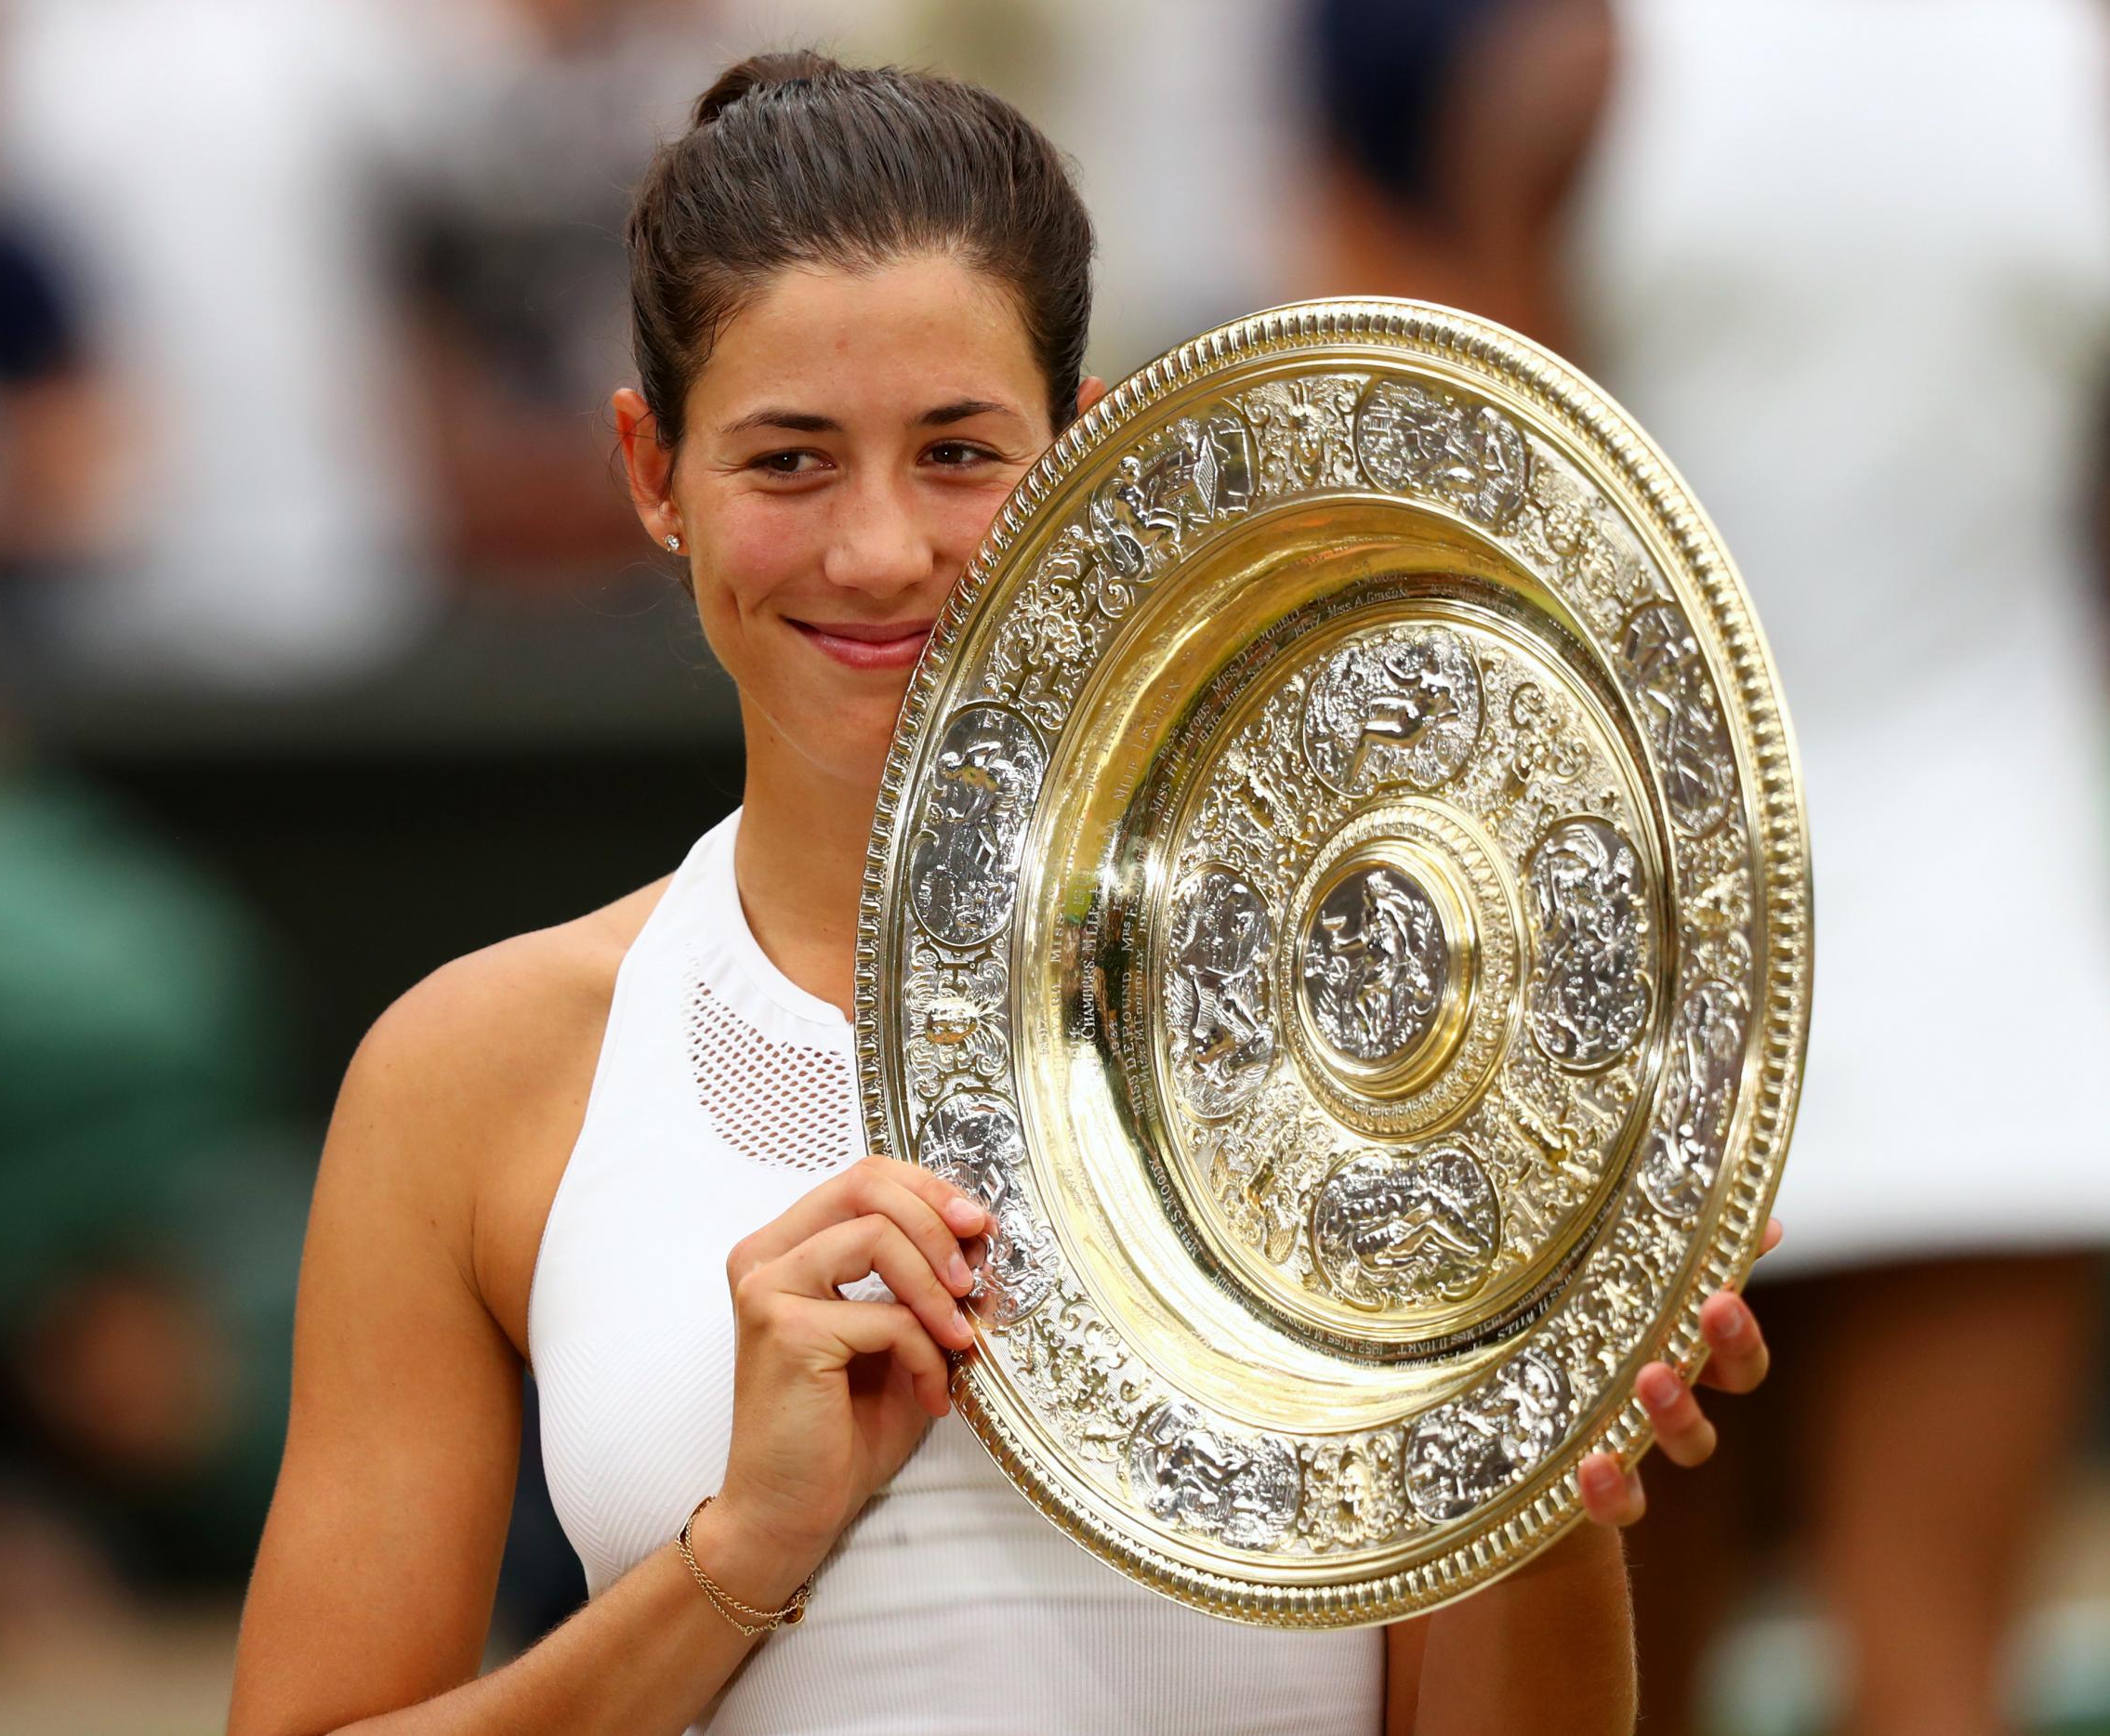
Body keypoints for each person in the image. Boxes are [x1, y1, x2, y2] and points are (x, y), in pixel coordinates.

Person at [226, 52, 1776, 1736]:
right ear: (652, 472)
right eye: (790, 462)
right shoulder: (471, 1078)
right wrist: (750, 1545)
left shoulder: (1385, 1049)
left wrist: (1541, 1480)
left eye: (959, 452)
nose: (881, 549)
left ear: (1085, 450)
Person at [1299, 3, 2110, 1734]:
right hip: (1947, 952)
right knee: (1881, 1665)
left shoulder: (1573, 66)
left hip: (1690, 957)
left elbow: (1504, 520)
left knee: (1646, 1676)